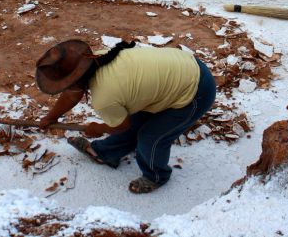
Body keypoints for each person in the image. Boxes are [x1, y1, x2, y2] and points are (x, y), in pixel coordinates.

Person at [35, 39, 217, 194]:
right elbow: (72, 93)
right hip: (180, 71)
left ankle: (156, 176)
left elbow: (121, 126)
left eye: (65, 84)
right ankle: (106, 153)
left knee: (151, 137)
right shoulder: (98, 59)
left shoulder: (105, 97)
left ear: (76, 79)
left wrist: (99, 128)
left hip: (196, 91)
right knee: (135, 120)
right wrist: (51, 117)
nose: (65, 88)